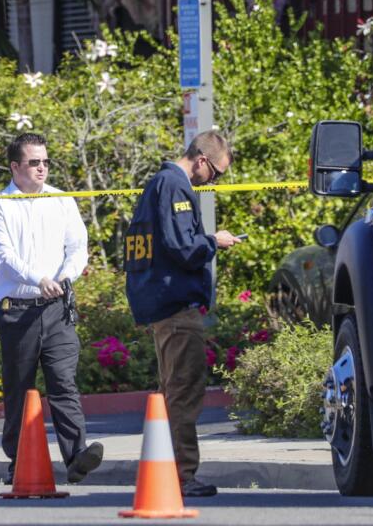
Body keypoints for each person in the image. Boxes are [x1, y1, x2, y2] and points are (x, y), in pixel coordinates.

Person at [123, 128, 240, 498]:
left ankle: (166, 469)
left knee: (171, 390)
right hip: (174, 306)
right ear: (202, 160)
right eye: (217, 173)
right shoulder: (174, 186)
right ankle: (182, 474)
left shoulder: (158, 184)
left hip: (162, 304)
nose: (215, 180)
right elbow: (181, 247)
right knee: (184, 391)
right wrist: (213, 241)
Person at [0, 132, 104, 485]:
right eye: (34, 162)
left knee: (63, 382)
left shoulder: (61, 200)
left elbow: (78, 246)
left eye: (46, 162)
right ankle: (17, 462)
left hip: (56, 309)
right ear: (15, 166)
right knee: (19, 389)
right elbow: (3, 257)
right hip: (17, 310)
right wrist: (39, 278)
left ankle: (77, 456)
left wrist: (65, 276)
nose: (42, 168)